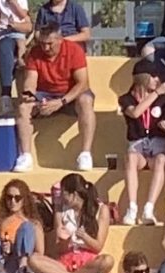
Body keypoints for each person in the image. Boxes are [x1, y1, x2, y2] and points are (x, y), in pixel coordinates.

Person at [13, 21, 97, 171]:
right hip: (45, 94)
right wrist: (29, 94)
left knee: (86, 100)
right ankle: (25, 156)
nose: (46, 48)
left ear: (60, 39)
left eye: (50, 44)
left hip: (70, 95)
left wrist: (61, 102)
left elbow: (83, 83)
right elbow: (31, 80)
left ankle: (85, 154)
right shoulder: (34, 53)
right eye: (43, 43)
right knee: (23, 107)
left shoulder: (74, 50)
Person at [118, 63, 165, 224]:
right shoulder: (126, 99)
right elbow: (136, 112)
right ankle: (132, 209)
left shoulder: (163, 100)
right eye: (153, 76)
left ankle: (148, 208)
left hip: (157, 142)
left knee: (161, 159)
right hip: (137, 144)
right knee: (130, 157)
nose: (157, 80)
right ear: (144, 78)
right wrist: (157, 92)